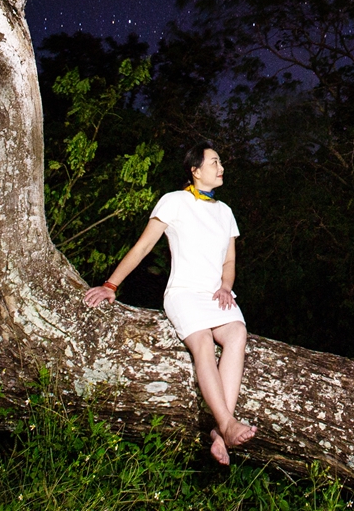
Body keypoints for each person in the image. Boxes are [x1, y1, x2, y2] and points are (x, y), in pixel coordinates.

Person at [83, 142, 256, 464]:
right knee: (203, 343)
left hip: (215, 293)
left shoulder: (225, 212)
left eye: (220, 163)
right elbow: (143, 246)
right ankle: (227, 424)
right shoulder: (174, 201)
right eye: (214, 162)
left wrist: (225, 287)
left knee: (236, 336)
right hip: (184, 293)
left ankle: (222, 429)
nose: (221, 168)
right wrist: (111, 285)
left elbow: (229, 262)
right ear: (195, 170)